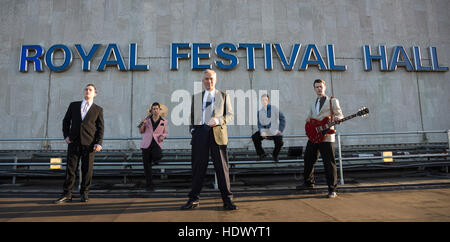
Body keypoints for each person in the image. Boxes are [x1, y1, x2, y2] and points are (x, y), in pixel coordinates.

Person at [180, 69, 237, 210]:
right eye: (206, 78)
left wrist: (218, 120)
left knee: (222, 170)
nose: (209, 81)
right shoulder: (196, 97)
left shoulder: (223, 95)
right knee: (198, 168)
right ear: (203, 80)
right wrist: (193, 130)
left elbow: (230, 115)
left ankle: (227, 200)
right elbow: (192, 117)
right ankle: (193, 199)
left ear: (215, 80)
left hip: (218, 136)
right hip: (200, 135)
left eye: (211, 78)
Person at [55, 84, 104, 203]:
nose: (87, 91)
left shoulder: (98, 109)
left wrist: (99, 143)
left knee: (87, 170)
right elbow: (66, 121)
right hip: (74, 142)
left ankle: (84, 193)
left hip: (89, 144)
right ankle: (67, 194)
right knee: (70, 169)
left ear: (95, 93)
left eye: (90, 90)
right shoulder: (74, 105)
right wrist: (66, 136)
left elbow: (100, 128)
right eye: (86, 89)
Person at [297, 79, 344, 198]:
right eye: (317, 87)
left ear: (325, 87)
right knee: (308, 159)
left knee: (329, 163)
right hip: (314, 137)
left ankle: (332, 189)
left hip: (327, 137)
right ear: (314, 89)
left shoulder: (332, 101)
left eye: (320, 86)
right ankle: (308, 183)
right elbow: (311, 116)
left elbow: (340, 115)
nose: (319, 88)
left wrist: (338, 118)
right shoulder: (313, 102)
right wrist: (308, 120)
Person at [138, 102, 168, 191]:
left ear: (159, 110)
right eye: (153, 109)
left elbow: (165, 132)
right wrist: (142, 123)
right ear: (151, 111)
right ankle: (149, 186)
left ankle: (155, 160)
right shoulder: (146, 120)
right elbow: (141, 131)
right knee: (147, 167)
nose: (155, 110)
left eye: (157, 109)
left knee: (158, 156)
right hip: (146, 144)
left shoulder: (164, 121)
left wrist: (163, 136)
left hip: (156, 143)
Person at [251, 94, 286, 162]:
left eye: (266, 100)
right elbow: (260, 124)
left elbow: (282, 119)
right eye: (263, 100)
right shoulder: (259, 112)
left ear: (268, 100)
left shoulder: (274, 109)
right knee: (255, 137)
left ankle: (275, 155)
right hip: (266, 130)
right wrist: (262, 132)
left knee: (280, 142)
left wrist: (280, 130)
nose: (264, 101)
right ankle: (261, 154)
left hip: (274, 130)